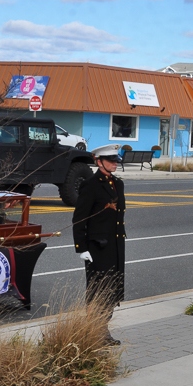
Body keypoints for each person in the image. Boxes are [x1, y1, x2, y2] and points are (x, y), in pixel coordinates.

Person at [72, 144, 127, 346]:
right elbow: (79, 219)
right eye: (110, 161)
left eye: (115, 160)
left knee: (112, 289)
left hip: (115, 246)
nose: (114, 164)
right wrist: (81, 248)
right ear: (99, 161)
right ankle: (95, 333)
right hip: (97, 248)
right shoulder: (91, 185)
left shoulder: (118, 184)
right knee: (98, 290)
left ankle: (102, 330)